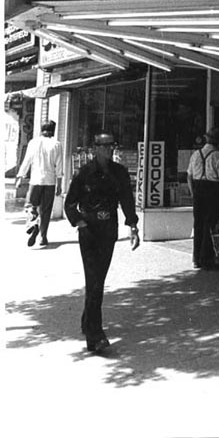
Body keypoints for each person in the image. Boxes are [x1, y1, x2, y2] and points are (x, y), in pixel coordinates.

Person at [64, 132, 140, 352]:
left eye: (111, 145)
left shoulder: (119, 172)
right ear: (94, 147)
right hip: (89, 230)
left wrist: (133, 226)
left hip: (108, 230)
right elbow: (70, 204)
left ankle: (88, 320)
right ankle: (95, 336)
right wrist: (81, 224)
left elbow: (127, 199)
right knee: (94, 281)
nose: (108, 149)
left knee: (98, 279)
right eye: (103, 145)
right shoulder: (84, 173)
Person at [187, 126, 219, 270]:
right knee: (209, 224)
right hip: (213, 190)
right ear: (217, 142)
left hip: (198, 189)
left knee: (198, 223)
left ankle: (196, 258)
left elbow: (189, 176)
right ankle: (207, 258)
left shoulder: (195, 155)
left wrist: (193, 192)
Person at [15, 119, 63, 248]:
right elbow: (59, 166)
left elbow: (27, 161)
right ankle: (43, 237)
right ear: (53, 130)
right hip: (50, 181)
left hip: (35, 180)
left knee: (30, 205)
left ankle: (32, 223)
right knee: (46, 210)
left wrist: (20, 176)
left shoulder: (33, 142)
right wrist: (59, 184)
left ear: (41, 130)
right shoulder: (57, 144)